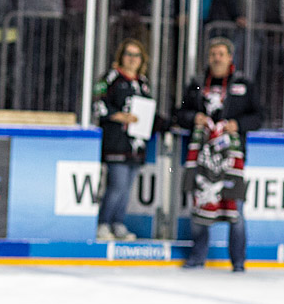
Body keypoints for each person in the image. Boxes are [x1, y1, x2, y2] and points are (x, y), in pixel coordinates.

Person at [176, 37, 261, 272]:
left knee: (236, 208)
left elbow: (258, 117)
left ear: (230, 57)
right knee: (201, 204)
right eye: (213, 53)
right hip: (202, 157)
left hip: (232, 156)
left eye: (221, 53)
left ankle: (238, 261)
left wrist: (237, 124)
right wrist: (194, 118)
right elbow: (180, 113)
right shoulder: (196, 82)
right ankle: (197, 257)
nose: (217, 58)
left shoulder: (243, 83)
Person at [93, 39, 157, 241]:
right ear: (121, 56)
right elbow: (96, 100)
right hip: (116, 142)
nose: (132, 59)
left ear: (142, 59)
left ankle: (117, 223)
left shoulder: (143, 83)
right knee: (117, 185)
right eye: (128, 54)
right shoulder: (112, 77)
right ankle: (104, 223)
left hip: (136, 144)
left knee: (127, 187)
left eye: (136, 55)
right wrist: (117, 115)